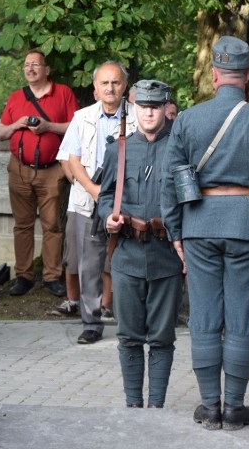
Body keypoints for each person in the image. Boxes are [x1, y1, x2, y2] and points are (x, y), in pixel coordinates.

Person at [163, 36, 249, 431]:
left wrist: (175, 231)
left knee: (203, 316)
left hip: (200, 224)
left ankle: (209, 408)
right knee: (241, 317)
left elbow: (171, 181)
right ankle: (234, 407)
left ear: (215, 74)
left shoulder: (187, 119)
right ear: (248, 77)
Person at [97, 79, 182, 408]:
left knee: (162, 338)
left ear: (165, 109)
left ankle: (157, 407)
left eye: (155, 106)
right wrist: (108, 217)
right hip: (128, 255)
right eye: (143, 106)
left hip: (166, 256)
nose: (149, 112)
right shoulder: (117, 148)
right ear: (133, 109)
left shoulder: (179, 147)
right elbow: (104, 197)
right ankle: (134, 406)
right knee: (129, 336)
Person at [57, 61, 135, 344]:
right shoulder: (81, 117)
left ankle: (130, 320)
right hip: (87, 200)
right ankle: (91, 323)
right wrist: (93, 189)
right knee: (89, 265)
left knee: (128, 261)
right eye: (105, 83)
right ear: (95, 89)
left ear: (124, 87)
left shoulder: (139, 117)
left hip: (127, 202)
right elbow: (71, 159)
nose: (110, 88)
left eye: (116, 83)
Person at [0, 50, 79, 298]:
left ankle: (52, 276)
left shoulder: (63, 93)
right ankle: (23, 275)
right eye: (26, 65)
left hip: (51, 170)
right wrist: (17, 124)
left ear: (47, 69)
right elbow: (0, 133)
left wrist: (48, 127)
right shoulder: (15, 97)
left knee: (52, 225)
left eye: (35, 65)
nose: (30, 69)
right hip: (19, 170)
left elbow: (76, 128)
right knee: (21, 225)